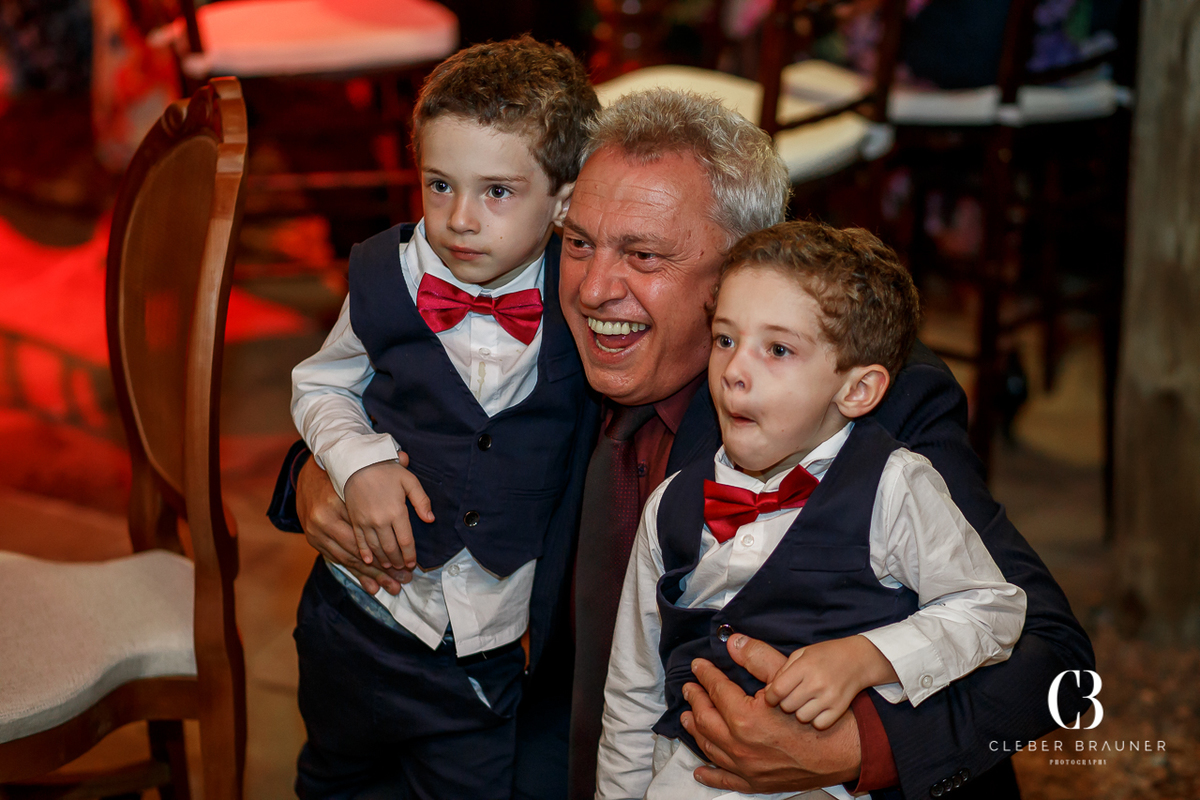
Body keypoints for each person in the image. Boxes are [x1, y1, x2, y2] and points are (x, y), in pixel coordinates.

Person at [271, 89, 1095, 800]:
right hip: (550, 743)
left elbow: (1059, 663)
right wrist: (313, 478)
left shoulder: (858, 399)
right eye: (581, 242)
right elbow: (405, 398)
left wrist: (854, 747)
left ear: (740, 271)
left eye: (645, 255)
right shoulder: (550, 337)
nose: (594, 289)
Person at [593, 220, 1028, 799]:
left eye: (777, 349)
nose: (735, 372)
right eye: (725, 339)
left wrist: (869, 657)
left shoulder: (895, 487)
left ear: (856, 390)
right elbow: (633, 689)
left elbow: (992, 610)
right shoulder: (670, 505)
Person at [282, 37, 601, 799]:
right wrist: (356, 461)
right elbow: (320, 384)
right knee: (332, 778)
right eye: (438, 184)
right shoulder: (382, 274)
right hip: (353, 615)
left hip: (485, 649)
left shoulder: (585, 299)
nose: (459, 219)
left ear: (563, 200)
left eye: (498, 192)